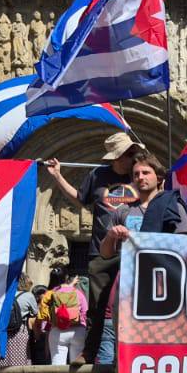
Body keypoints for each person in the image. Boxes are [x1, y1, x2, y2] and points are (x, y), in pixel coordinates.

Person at [44, 133, 147, 360]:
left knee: (139, 301)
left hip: (135, 249)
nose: (132, 157)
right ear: (116, 157)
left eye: (133, 152)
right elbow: (81, 199)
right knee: (98, 304)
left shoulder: (139, 174)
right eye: (128, 153)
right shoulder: (98, 175)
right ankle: (90, 351)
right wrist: (58, 177)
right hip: (102, 249)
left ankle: (139, 350)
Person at [92, 152, 187, 364]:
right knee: (128, 339)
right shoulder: (123, 212)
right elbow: (105, 253)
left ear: (159, 177)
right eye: (136, 174)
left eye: (146, 172)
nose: (140, 177)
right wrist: (111, 235)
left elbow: (185, 246)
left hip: (163, 284)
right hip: (130, 285)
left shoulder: (174, 206)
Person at [40, 266, 88, 365]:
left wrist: (46, 328)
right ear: (66, 277)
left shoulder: (50, 294)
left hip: (57, 331)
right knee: (77, 366)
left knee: (57, 364)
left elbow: (45, 314)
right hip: (78, 330)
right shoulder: (78, 293)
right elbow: (85, 311)